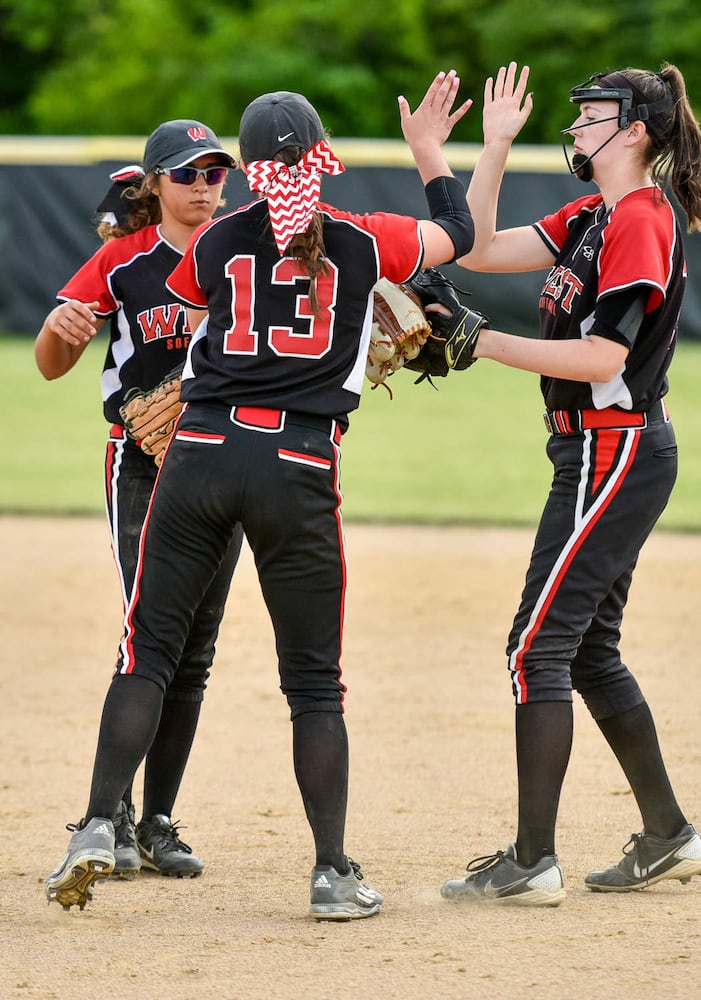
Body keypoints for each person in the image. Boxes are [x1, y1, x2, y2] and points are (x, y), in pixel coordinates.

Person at [44, 71, 475, 919]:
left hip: (198, 455)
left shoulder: (212, 243)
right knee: (314, 686)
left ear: (241, 169)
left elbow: (203, 296)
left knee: (147, 652)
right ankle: (331, 874)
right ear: (321, 158)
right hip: (300, 462)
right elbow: (458, 232)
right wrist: (430, 153)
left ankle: (100, 823)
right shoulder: (363, 239)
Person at [439, 62, 701, 905]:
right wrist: (487, 149)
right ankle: (668, 836)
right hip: (591, 452)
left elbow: (603, 359)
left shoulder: (639, 218)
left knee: (537, 648)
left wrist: (478, 342)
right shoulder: (595, 214)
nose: (579, 127)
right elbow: (480, 250)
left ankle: (532, 859)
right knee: (586, 647)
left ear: (634, 130)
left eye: (593, 115)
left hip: (616, 448)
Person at [37, 120, 244, 882]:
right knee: (148, 634)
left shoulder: (247, 251)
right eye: (187, 173)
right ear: (154, 183)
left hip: (226, 464)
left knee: (197, 646)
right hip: (143, 467)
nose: (203, 185)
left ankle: (155, 821)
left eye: (215, 171)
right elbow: (53, 363)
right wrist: (61, 329)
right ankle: (110, 813)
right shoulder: (122, 261)